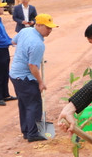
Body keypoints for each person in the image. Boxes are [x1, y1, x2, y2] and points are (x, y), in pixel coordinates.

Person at [9, 13, 57, 141]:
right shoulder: (37, 44)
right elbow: (32, 66)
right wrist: (40, 82)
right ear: (39, 25)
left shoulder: (25, 31)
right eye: (47, 28)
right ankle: (33, 133)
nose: (50, 30)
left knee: (24, 103)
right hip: (25, 77)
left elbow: (13, 41)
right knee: (34, 104)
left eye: (51, 28)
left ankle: (26, 131)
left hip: (15, 74)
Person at [0, 2, 17, 106]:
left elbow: (4, 36)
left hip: (3, 49)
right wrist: (11, 42)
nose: (3, 8)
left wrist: (11, 40)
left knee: (5, 72)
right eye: (1, 7)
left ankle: (5, 94)